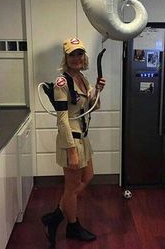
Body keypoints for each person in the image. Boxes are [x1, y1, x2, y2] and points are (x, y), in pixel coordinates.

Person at [41, 37, 106, 247]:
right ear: (66, 57)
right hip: (72, 140)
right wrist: (71, 149)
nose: (76, 58)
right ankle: (72, 225)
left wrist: (97, 90)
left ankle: (56, 215)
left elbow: (90, 107)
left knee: (88, 176)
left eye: (79, 53)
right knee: (71, 188)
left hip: (83, 137)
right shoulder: (62, 82)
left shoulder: (82, 78)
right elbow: (62, 118)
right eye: (72, 54)